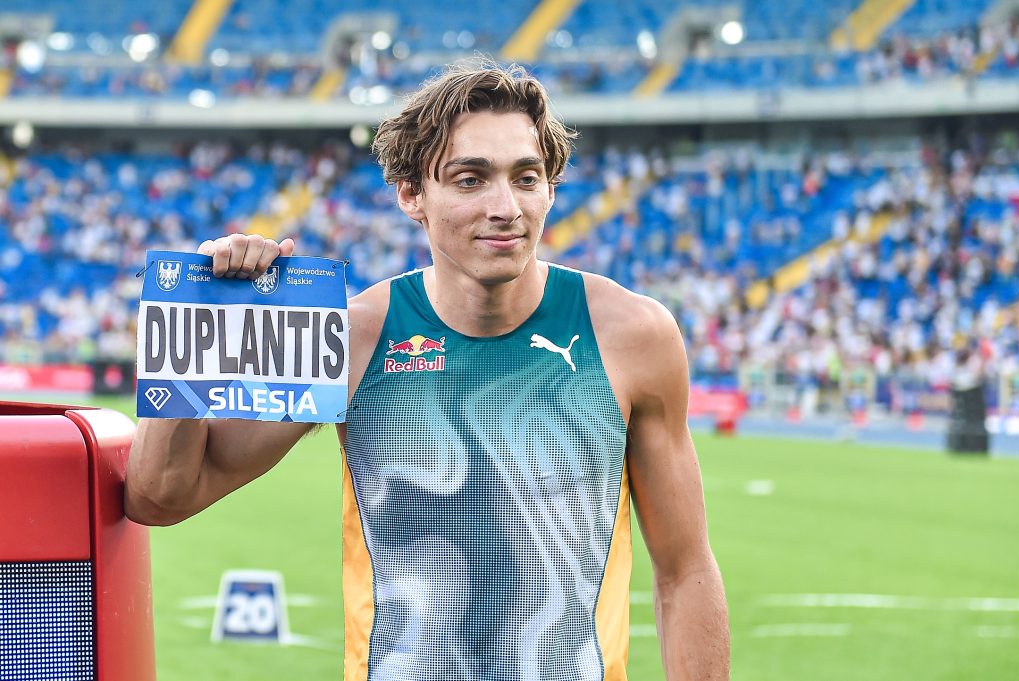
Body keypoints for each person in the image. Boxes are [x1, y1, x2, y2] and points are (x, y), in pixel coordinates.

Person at [125, 63, 729, 681]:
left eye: (526, 178)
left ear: (550, 190)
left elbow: (685, 570)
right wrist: (194, 316)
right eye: (470, 180)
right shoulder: (351, 338)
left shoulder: (634, 336)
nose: (506, 208)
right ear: (412, 194)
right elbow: (160, 496)